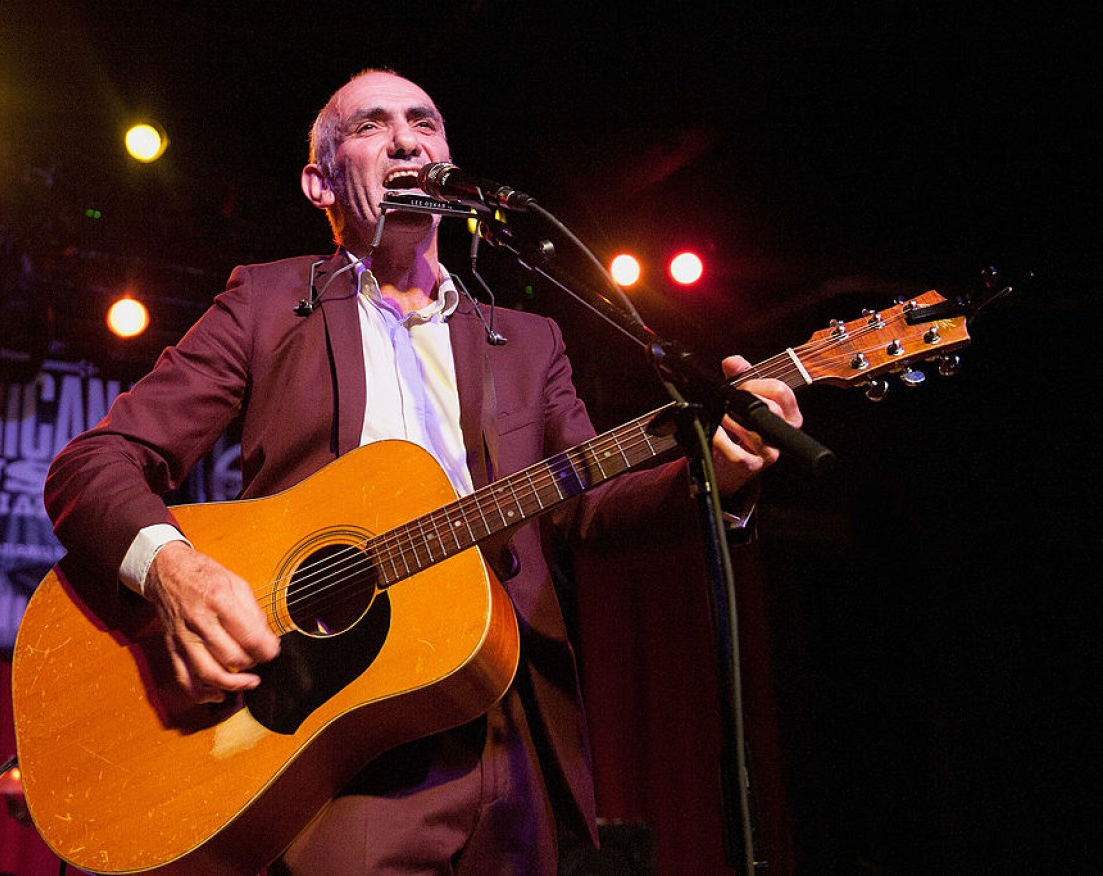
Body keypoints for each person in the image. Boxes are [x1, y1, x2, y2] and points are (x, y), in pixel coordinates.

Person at [44, 69, 802, 874]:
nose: (408, 138)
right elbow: (92, 465)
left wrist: (714, 475)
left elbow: (591, 505)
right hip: (337, 740)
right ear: (319, 181)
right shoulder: (267, 306)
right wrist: (174, 572)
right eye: (373, 125)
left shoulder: (528, 339)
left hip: (510, 727)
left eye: (425, 123)